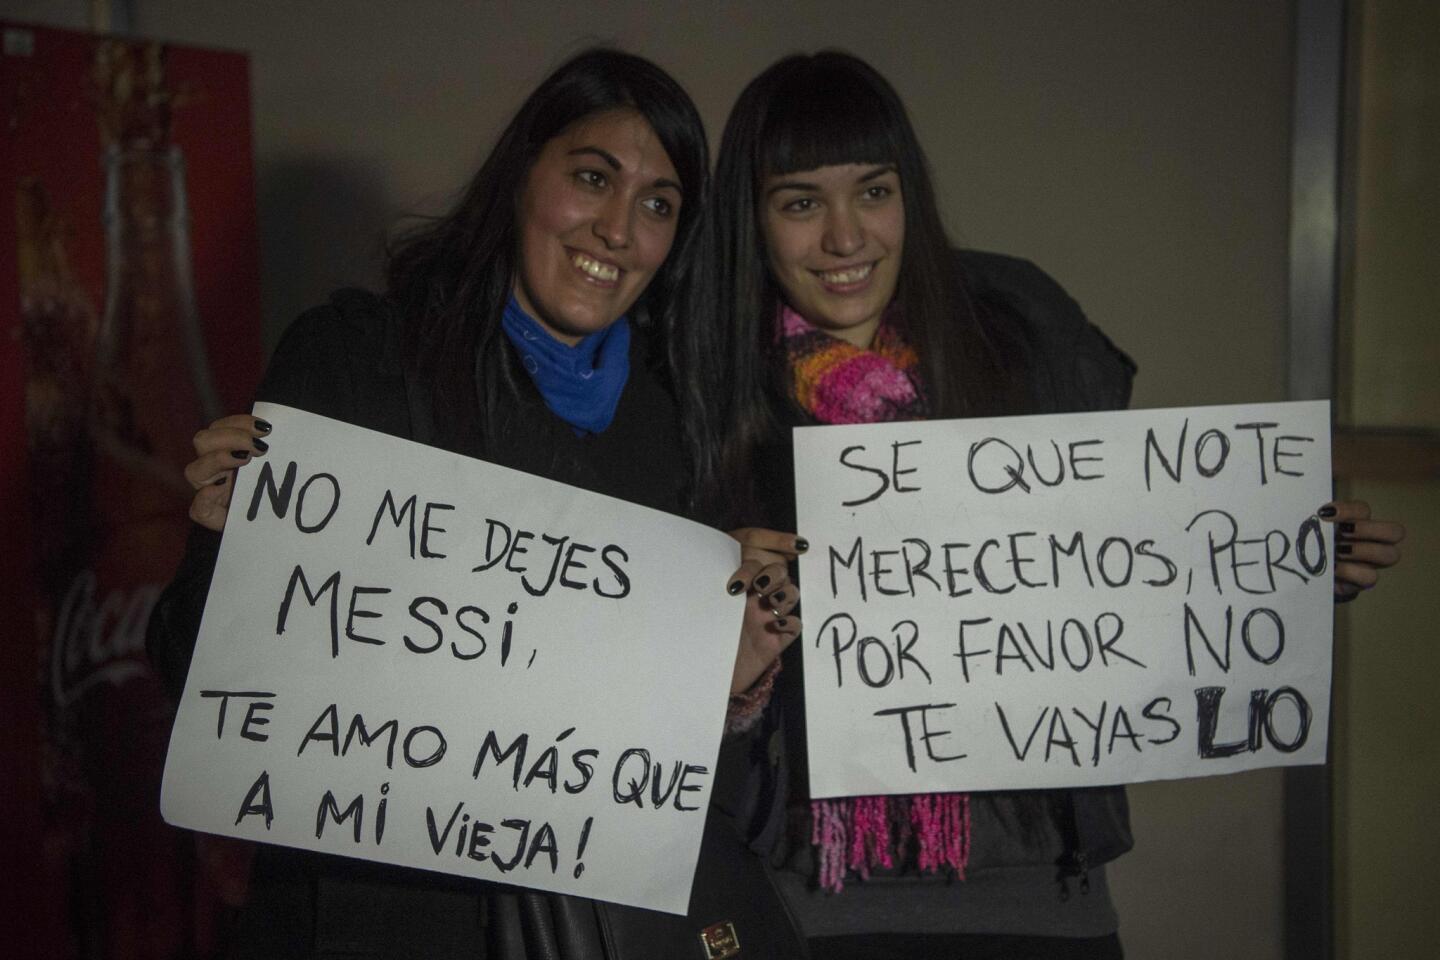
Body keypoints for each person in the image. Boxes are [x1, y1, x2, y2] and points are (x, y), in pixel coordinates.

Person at [699, 50, 1406, 959]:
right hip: (808, 905)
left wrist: (1272, 564)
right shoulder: (704, 397)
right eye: (801, 203)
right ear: (754, 223)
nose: (846, 238)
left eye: (873, 192)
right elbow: (666, 691)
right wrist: (740, 664)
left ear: (908, 195)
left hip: (1042, 894)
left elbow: (1125, 562)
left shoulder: (1022, 339)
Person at [146, 49, 803, 959]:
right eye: (591, 178)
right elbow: (194, 673)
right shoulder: (354, 358)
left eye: (658, 204)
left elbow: (678, 795)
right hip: (367, 924)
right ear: (521, 176)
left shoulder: (679, 429)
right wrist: (226, 544)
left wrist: (724, 679)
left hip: (596, 932)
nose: (618, 228)